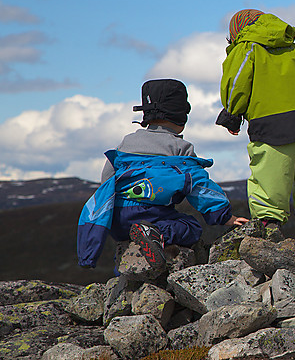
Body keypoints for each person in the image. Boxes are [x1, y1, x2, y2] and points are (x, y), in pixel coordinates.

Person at [77, 78, 248, 269]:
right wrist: (224, 216)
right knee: (191, 226)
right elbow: (199, 186)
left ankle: (128, 270)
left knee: (128, 241)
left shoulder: (126, 143)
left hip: (117, 219)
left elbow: (106, 179)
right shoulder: (180, 149)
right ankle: (154, 234)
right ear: (181, 114)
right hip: (150, 215)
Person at [216, 9, 295, 244]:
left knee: (271, 176)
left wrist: (232, 114)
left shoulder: (247, 48)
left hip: (270, 123)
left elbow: (237, 84)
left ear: (236, 31)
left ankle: (269, 225)